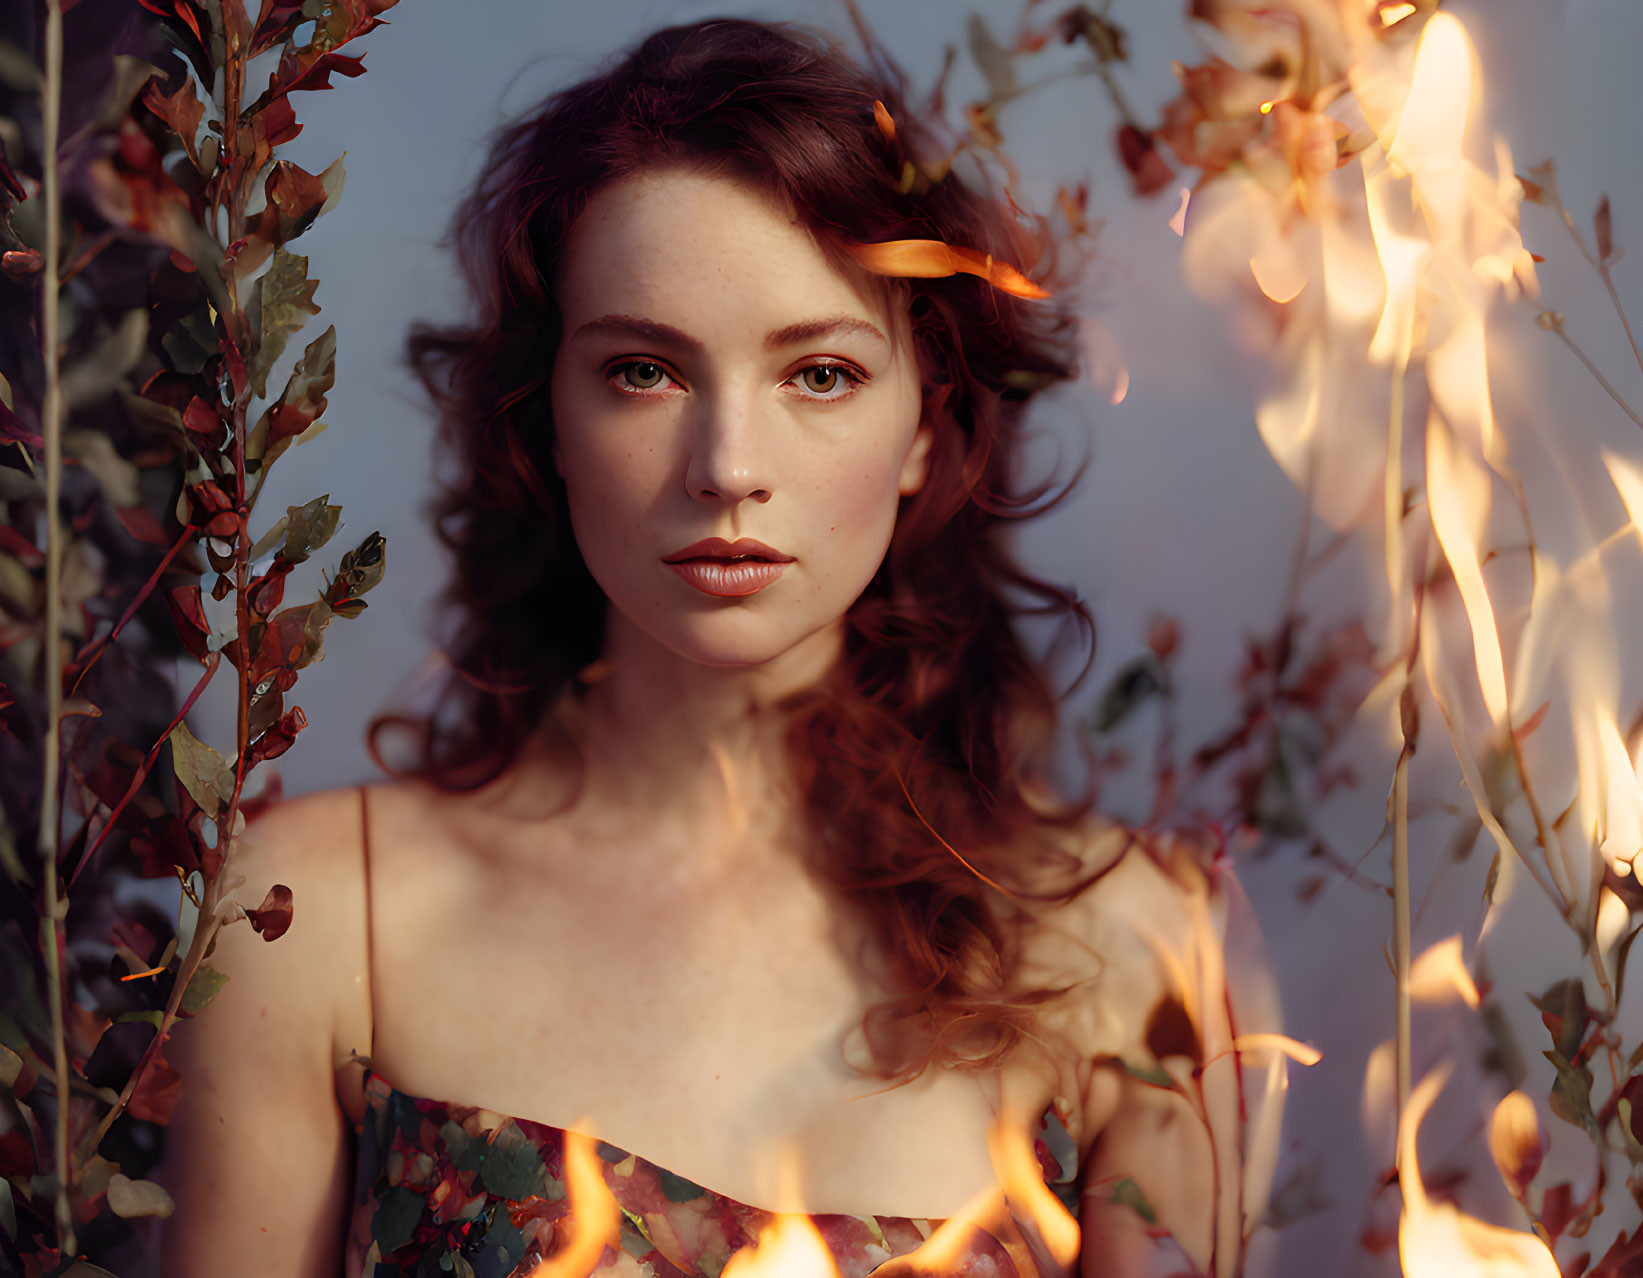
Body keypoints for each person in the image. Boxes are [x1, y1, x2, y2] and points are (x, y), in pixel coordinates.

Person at [159, 16, 1285, 1278]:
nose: (727, 470)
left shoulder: (1132, 952)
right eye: (644, 371)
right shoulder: (310, 917)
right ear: (547, 422)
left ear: (927, 423)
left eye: (818, 375)